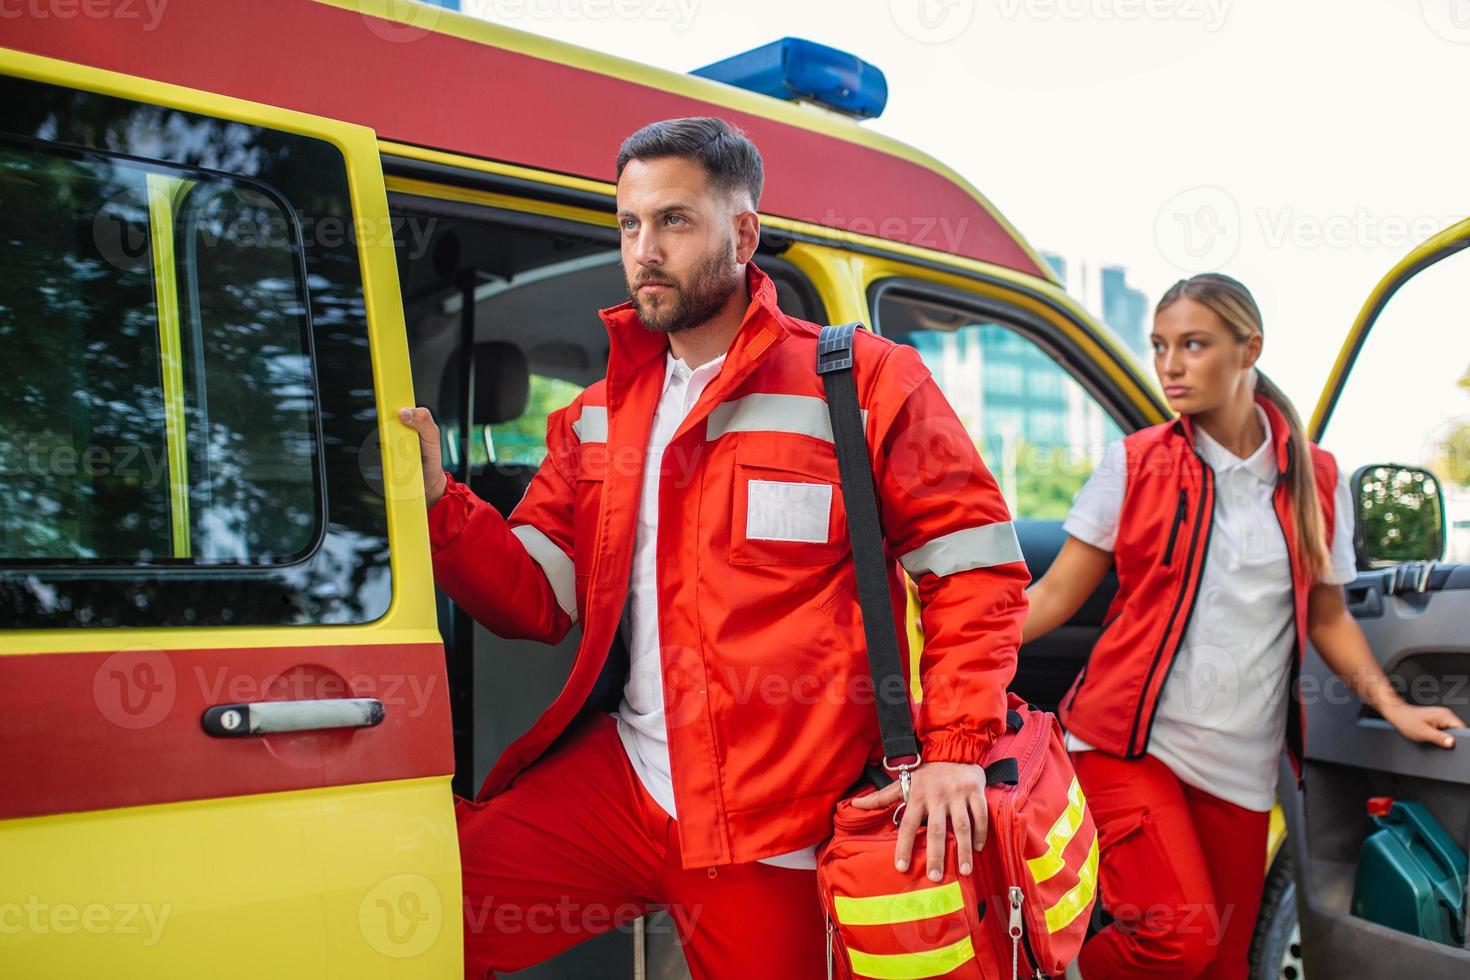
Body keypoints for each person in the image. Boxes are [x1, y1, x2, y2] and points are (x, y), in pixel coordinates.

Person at [398, 117, 1030, 979]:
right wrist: (439, 504)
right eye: (629, 224)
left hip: (780, 824)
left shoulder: (868, 382)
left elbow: (974, 573)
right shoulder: (595, 416)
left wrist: (955, 752)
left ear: (743, 233)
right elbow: (539, 598)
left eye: (675, 221)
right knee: (416, 915)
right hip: (623, 787)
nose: (644, 250)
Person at [1023, 273, 1465, 980]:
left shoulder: (1316, 480)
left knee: (1222, 965)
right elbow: (1053, 598)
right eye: (1161, 346)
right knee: (1175, 940)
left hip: (1242, 765)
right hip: (1128, 745)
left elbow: (1327, 615)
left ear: (1248, 347)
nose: (1169, 365)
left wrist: (1392, 705)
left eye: (1193, 345)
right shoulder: (1134, 466)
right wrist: (948, 652)